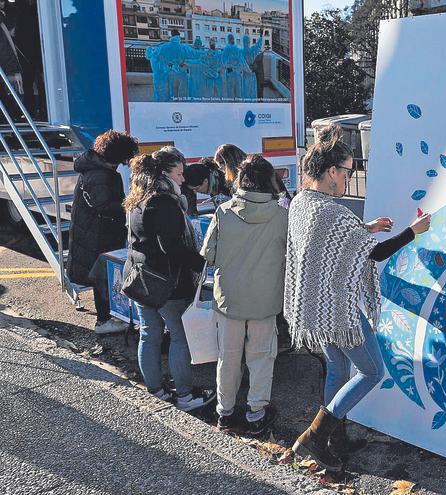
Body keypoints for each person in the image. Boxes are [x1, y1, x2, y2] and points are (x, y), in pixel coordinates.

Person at [283, 125, 431, 471]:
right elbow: (374, 256)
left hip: (313, 305)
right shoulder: (334, 212)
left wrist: (364, 229)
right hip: (338, 308)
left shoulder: (302, 201)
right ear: (331, 171)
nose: (350, 178)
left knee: (338, 367)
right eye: (348, 171)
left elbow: (324, 242)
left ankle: (335, 438)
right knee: (372, 370)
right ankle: (316, 437)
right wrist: (413, 231)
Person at [201, 154, 288, 436]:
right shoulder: (281, 216)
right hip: (265, 298)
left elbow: (208, 254)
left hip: (228, 297)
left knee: (228, 357)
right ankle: (255, 412)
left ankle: (224, 413)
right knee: (261, 357)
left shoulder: (223, 211)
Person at [123, 153, 215, 411]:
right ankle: (185, 396)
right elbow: (172, 247)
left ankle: (156, 391)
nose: (183, 178)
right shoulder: (163, 203)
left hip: (142, 278)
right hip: (168, 283)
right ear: (164, 174)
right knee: (179, 336)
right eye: (178, 173)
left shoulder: (137, 199)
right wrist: (202, 264)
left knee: (149, 334)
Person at [67, 130, 139, 334]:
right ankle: (104, 320)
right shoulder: (99, 174)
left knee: (103, 275)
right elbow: (104, 205)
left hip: (94, 230)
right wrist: (132, 205)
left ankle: (108, 317)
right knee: (103, 276)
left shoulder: (94, 168)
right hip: (97, 234)